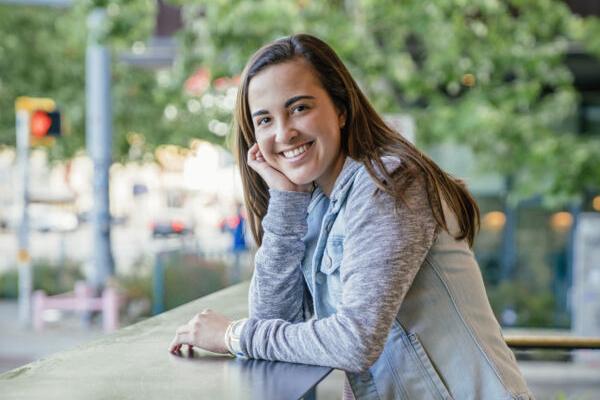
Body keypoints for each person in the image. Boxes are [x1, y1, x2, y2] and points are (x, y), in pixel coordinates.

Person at [169, 34, 534, 399]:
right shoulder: (315, 206)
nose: (283, 132)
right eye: (264, 120)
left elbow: (355, 341)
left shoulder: (389, 183)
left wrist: (232, 334)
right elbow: (273, 322)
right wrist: (285, 200)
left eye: (299, 108)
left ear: (341, 109)